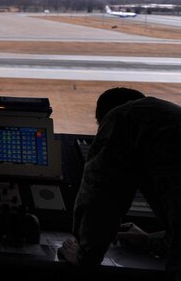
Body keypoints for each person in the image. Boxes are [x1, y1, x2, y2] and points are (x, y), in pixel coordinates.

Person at [58, 87, 181, 281]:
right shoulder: (169, 118)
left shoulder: (121, 119)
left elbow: (99, 198)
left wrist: (85, 255)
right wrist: (150, 241)